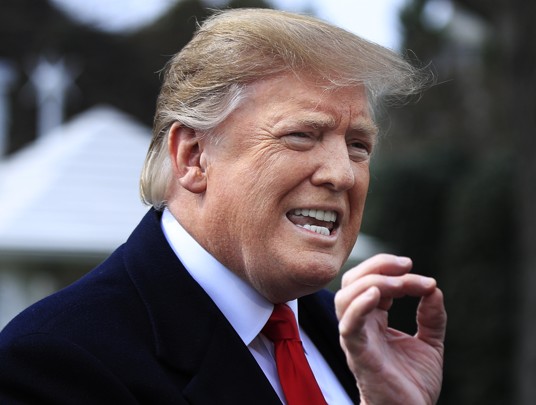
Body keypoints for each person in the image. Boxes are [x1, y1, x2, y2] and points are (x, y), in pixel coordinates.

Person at [0, 8, 446, 405]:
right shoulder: (58, 359)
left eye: (358, 145)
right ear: (193, 157)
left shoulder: (351, 339)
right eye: (302, 135)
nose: (342, 174)